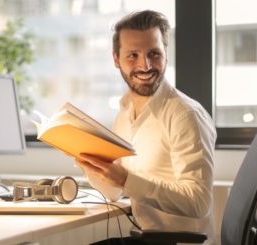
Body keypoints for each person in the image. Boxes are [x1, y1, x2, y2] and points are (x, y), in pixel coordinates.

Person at [76, 9, 216, 244]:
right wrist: (88, 162)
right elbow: (114, 192)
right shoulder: (125, 112)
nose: (145, 65)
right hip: (148, 238)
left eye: (154, 53)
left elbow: (198, 202)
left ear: (166, 54)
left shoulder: (185, 114)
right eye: (133, 55)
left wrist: (127, 180)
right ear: (115, 59)